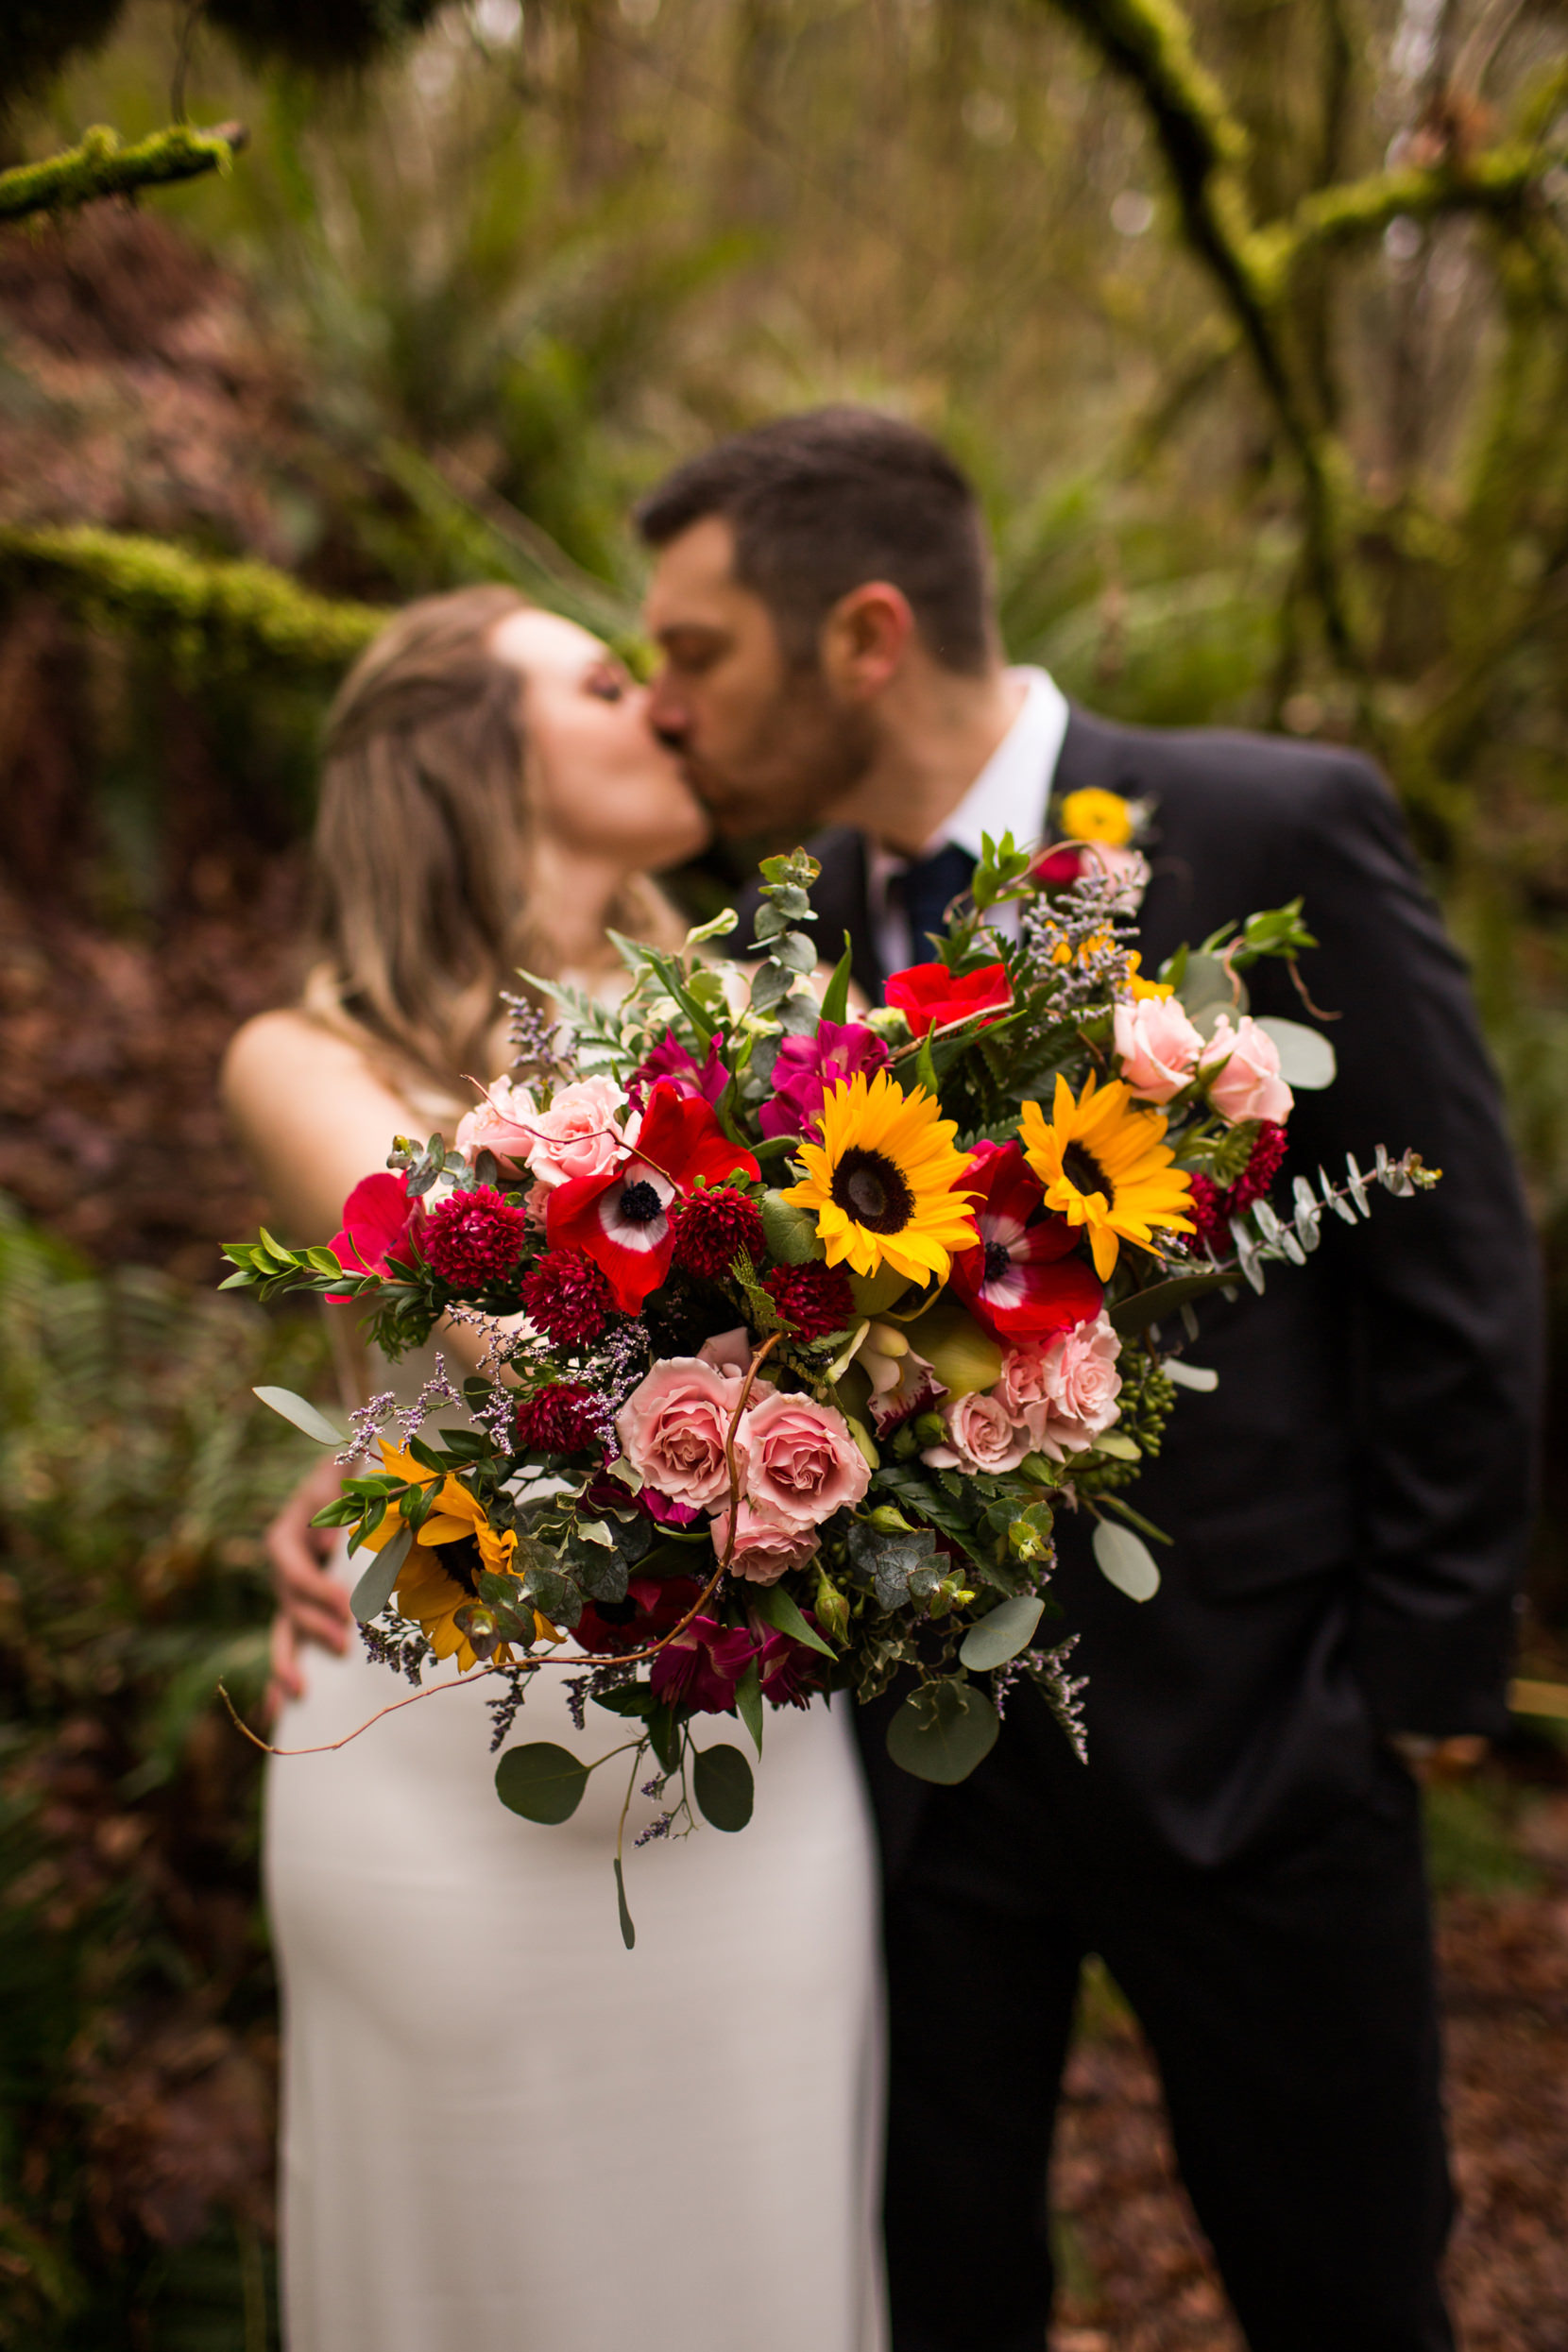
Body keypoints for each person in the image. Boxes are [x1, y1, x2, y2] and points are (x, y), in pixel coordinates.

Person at [633, 407, 1543, 2352]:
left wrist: (1401, 1688)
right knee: (933, 2277)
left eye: (694, 654)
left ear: (863, 634)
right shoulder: (776, 927)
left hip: (1258, 1751)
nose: (662, 710)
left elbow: (1453, 1262)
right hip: (911, 1798)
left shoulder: (1268, 828)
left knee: (1339, 2286)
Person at [223, 585, 886, 2352]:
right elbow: (506, 1341)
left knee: (755, 2249)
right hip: (446, 1778)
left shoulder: (764, 1007)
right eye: (606, 682)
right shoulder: (310, 1057)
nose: (665, 707)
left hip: (748, 1762)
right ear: (467, 759)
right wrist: (359, 1457)